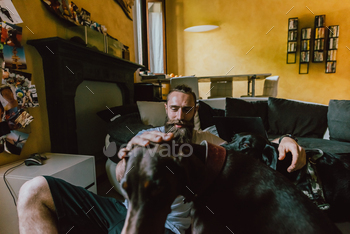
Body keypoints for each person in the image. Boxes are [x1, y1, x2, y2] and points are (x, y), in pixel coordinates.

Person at [17, 85, 306, 234]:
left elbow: (254, 145)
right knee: (33, 189)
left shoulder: (205, 141)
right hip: (123, 211)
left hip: (165, 228)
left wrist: (286, 140)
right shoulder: (146, 135)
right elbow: (119, 174)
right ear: (166, 109)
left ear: (195, 112)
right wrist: (132, 156)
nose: (180, 116)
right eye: (174, 109)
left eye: (187, 110)